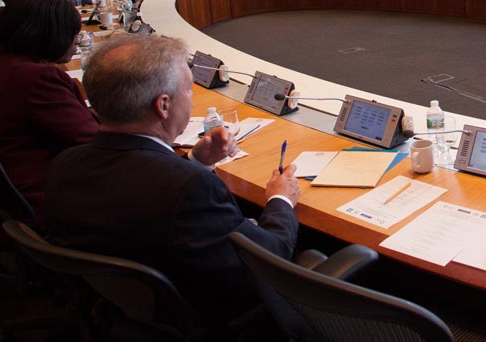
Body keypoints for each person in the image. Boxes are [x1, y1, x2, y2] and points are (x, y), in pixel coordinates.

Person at [46, 35, 300, 324]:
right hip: (209, 316)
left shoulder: (65, 164)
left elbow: (140, 191)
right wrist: (281, 199)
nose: (191, 100)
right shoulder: (190, 190)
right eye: (188, 91)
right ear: (163, 106)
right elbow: (270, 259)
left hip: (120, 311)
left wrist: (196, 163)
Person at [0, 0, 97, 220]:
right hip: (50, 199)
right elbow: (95, 145)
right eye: (73, 34)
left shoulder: (0, 65)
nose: (76, 41)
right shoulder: (37, 78)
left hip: (12, 193)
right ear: (49, 34)